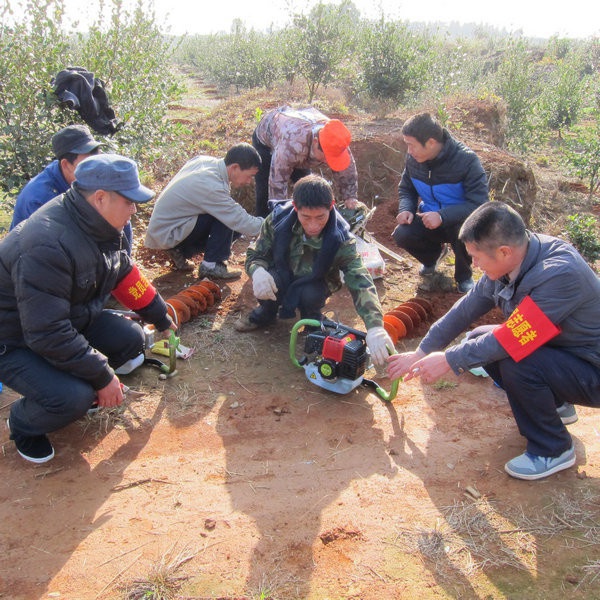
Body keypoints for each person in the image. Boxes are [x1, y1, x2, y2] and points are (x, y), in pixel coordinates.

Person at [387, 202, 600, 480]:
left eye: (476, 257)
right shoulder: (514, 262)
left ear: (503, 252)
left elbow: (512, 340)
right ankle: (557, 404)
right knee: (478, 338)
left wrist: (450, 359)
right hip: (566, 356)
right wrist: (423, 351)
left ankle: (553, 448)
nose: (473, 264)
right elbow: (466, 308)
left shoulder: (559, 274)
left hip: (592, 369)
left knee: (517, 361)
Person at [0, 154, 174, 464]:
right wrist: (101, 377)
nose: (134, 209)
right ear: (100, 198)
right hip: (13, 339)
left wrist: (158, 314)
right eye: (129, 201)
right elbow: (46, 333)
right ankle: (22, 423)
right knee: (74, 397)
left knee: (130, 339)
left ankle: (67, 377)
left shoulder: (102, 225)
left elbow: (123, 271)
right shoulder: (46, 243)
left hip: (62, 317)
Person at [235, 174, 393, 368]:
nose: (313, 225)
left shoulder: (341, 236)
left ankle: (312, 319)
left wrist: (375, 326)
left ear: (331, 206)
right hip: (281, 275)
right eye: (305, 217)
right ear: (295, 207)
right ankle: (266, 313)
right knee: (268, 282)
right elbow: (256, 254)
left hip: (316, 282)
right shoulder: (277, 220)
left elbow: (359, 278)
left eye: (320, 217)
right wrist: (257, 271)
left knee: (310, 295)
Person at [392, 112, 489, 294]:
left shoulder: (466, 161)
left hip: (459, 220)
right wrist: (406, 208)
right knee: (402, 234)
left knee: (463, 231)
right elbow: (407, 188)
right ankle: (432, 259)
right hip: (428, 218)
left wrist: (442, 216)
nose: (409, 151)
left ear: (430, 142)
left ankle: (464, 276)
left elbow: (479, 204)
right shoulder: (414, 160)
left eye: (411, 145)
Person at [144, 143, 264, 279]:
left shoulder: (205, 162)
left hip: (166, 228)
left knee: (227, 214)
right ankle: (211, 265)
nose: (249, 182)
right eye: (249, 176)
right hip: (169, 232)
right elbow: (241, 221)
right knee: (227, 218)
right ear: (235, 167)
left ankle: (179, 250)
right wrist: (273, 224)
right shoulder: (210, 186)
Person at [10, 125, 134, 253]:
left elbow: (121, 221)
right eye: (88, 164)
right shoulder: (40, 197)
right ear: (66, 165)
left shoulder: (96, 178)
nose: (95, 169)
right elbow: (48, 251)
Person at [252, 105, 361, 219]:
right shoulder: (291, 146)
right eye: (326, 157)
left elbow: (347, 171)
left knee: (308, 188)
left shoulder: (336, 139)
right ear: (315, 142)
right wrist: (280, 219)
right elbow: (277, 185)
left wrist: (350, 197)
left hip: (300, 135)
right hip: (266, 138)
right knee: (264, 190)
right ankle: (264, 225)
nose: (327, 163)